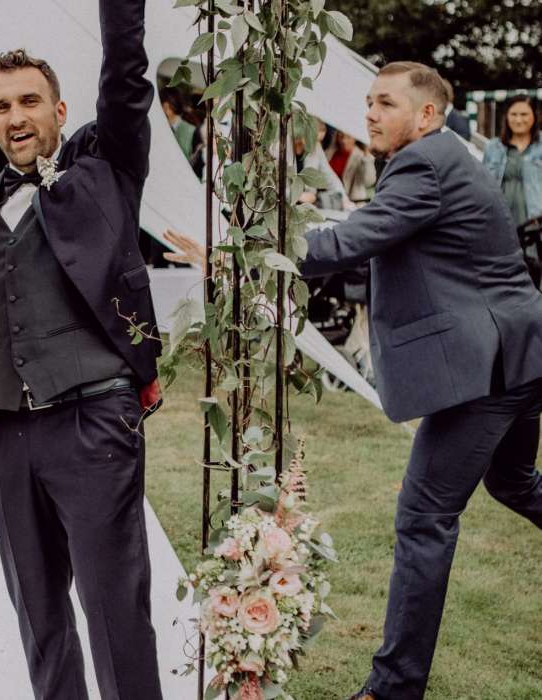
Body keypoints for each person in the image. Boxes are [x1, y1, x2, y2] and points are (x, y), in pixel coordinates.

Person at [167, 61, 542, 700]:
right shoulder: (443, 157)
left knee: (423, 518)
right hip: (521, 351)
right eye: (369, 101)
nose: (369, 112)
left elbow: (349, 243)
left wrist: (239, 254)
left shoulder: (424, 163)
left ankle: (391, 689)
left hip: (491, 367)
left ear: (426, 114)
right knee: (513, 482)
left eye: (386, 103)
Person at [0, 1, 164, 697]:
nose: (16, 117)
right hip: (7, 439)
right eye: (1, 106)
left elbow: (125, 79)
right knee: (40, 621)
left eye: (29, 101)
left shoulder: (105, 171)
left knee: (115, 614)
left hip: (93, 422)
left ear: (60, 110)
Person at [483, 95, 542, 231]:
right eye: (514, 114)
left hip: (535, 222)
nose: (518, 120)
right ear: (506, 117)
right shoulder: (493, 147)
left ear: (534, 116)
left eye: (524, 114)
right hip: (500, 222)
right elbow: (484, 187)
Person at [325, 130, 377, 205]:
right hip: (330, 201)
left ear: (355, 138)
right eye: (340, 136)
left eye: (348, 137)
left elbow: (368, 182)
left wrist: (367, 156)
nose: (343, 141)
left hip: (353, 203)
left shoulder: (362, 156)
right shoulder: (329, 153)